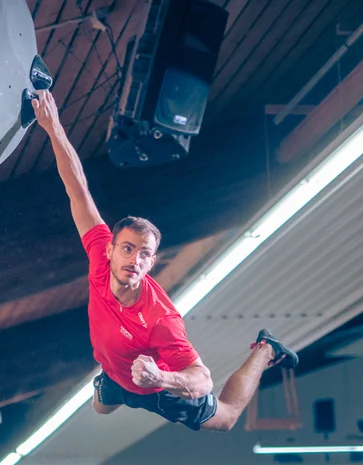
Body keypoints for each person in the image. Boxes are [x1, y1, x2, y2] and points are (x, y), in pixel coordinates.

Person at [30, 90, 298, 433]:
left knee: (227, 418)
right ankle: (111, 383)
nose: (134, 259)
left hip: (158, 388)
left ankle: (266, 348)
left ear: (151, 262)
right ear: (111, 249)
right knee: (101, 407)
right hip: (116, 374)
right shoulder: (99, 254)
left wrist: (162, 377)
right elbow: (77, 187)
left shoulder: (161, 319)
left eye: (144, 254)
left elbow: (201, 380)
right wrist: (53, 128)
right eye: (127, 249)